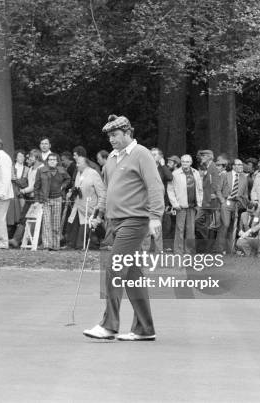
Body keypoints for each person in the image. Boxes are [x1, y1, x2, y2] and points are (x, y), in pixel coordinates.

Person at [83, 114, 164, 342]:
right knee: (133, 277)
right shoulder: (111, 158)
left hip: (135, 221)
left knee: (114, 268)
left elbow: (155, 186)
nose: (111, 139)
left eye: (115, 135)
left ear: (128, 133)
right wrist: (98, 213)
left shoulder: (142, 154)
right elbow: (107, 190)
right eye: (109, 136)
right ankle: (144, 329)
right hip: (116, 222)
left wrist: (155, 216)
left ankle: (109, 325)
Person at [65, 156, 105, 249]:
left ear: (85, 164)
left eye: (79, 163)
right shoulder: (78, 173)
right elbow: (78, 187)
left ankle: (93, 243)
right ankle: (72, 244)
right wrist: (72, 191)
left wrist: (100, 207)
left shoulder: (93, 173)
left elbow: (101, 192)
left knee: (90, 225)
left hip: (90, 206)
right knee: (74, 225)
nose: (77, 165)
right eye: (76, 163)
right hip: (78, 205)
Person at [34, 153, 71, 250]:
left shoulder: (61, 170)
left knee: (56, 223)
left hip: (58, 199)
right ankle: (47, 245)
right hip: (45, 199)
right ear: (47, 161)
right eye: (50, 159)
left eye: (54, 159)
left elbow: (68, 179)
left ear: (57, 161)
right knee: (46, 223)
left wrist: (63, 186)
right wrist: (37, 200)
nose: (52, 161)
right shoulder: (41, 170)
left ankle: (55, 245)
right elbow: (36, 186)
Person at [168, 155, 203, 254]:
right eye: (183, 161)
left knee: (191, 229)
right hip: (180, 206)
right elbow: (170, 190)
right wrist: (174, 204)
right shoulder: (175, 174)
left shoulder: (196, 173)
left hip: (193, 206)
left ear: (191, 162)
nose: (185, 163)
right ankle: (178, 251)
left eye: (187, 162)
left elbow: (200, 189)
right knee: (180, 229)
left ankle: (190, 251)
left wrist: (199, 203)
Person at [9, 149, 43, 248]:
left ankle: (35, 241)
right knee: (23, 218)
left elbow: (34, 186)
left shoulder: (41, 169)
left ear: (36, 158)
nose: (28, 159)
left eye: (31, 157)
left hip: (37, 198)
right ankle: (17, 239)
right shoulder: (31, 168)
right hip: (30, 197)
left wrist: (22, 191)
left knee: (36, 220)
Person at [215, 158, 249, 254]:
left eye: (241, 165)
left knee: (233, 227)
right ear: (233, 166)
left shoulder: (244, 177)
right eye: (238, 165)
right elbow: (218, 190)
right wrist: (222, 201)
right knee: (225, 224)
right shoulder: (226, 175)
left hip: (237, 204)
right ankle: (219, 249)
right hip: (227, 202)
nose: (240, 167)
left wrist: (244, 203)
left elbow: (245, 194)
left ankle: (230, 249)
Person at [143, 147, 173, 253]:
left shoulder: (162, 168)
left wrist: (163, 164)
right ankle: (145, 250)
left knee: (157, 226)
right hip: (146, 201)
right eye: (151, 154)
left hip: (159, 202)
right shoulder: (145, 167)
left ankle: (159, 250)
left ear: (160, 157)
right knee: (146, 227)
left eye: (155, 154)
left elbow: (170, 177)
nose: (152, 156)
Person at [195, 149, 221, 252]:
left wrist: (212, 195)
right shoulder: (207, 166)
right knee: (204, 223)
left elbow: (214, 183)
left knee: (204, 222)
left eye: (204, 156)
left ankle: (206, 246)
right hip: (205, 200)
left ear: (210, 157)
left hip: (209, 201)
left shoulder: (212, 167)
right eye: (201, 156)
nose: (202, 157)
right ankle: (205, 246)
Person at [7, 149, 28, 234]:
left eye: (23, 156)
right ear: (15, 158)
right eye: (19, 156)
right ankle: (10, 233)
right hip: (12, 193)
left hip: (22, 193)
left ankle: (19, 234)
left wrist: (16, 181)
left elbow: (25, 182)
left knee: (22, 212)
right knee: (11, 213)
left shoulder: (27, 169)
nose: (21, 158)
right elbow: (9, 180)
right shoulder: (11, 168)